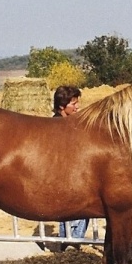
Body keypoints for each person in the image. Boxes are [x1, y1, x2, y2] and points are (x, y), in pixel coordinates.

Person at [53, 85, 89, 249]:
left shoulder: (74, 123)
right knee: (71, 213)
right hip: (62, 177)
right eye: (73, 104)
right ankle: (68, 244)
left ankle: (73, 244)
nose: (77, 107)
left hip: (74, 175)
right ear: (62, 106)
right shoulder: (55, 125)